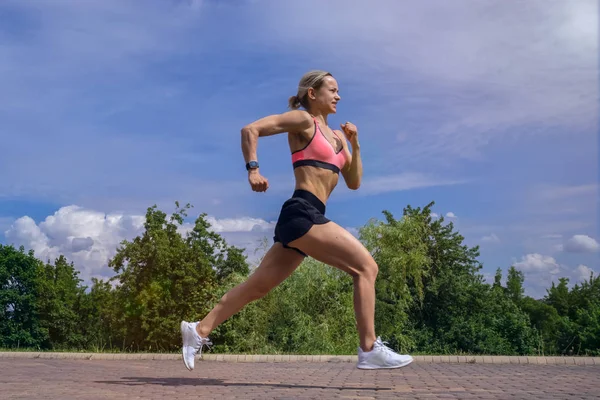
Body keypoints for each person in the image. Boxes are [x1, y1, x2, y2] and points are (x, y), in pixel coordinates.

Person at [181, 70, 414, 371]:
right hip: (302, 211)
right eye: (332, 90)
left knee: (258, 287)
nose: (338, 96)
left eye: (338, 91)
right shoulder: (304, 121)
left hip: (308, 217)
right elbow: (250, 129)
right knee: (366, 267)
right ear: (312, 94)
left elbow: (354, 182)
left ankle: (198, 330)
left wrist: (355, 145)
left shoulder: (340, 139)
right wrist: (253, 169)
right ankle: (368, 349)